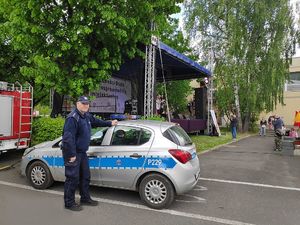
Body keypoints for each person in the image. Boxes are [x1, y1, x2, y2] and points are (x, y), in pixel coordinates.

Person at [61, 96, 118, 211]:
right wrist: (71, 155)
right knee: (72, 178)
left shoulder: (86, 115)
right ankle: (69, 203)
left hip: (82, 153)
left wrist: (110, 123)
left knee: (85, 176)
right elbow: (68, 139)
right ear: (77, 104)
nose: (86, 105)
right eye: (83, 103)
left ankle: (85, 198)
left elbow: (96, 121)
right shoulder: (73, 118)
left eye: (87, 103)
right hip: (73, 153)